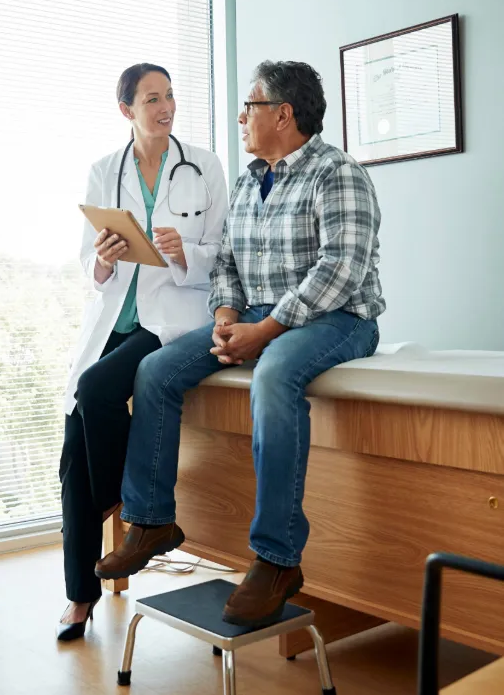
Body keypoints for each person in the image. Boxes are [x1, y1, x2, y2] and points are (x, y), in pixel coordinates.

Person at [95, 60, 386, 626]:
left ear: (282, 113)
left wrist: (266, 330)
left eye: (249, 106)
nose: (240, 117)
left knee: (274, 376)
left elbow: (341, 270)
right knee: (154, 370)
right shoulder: (252, 179)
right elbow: (227, 261)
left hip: (337, 318)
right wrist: (228, 316)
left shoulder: (338, 173)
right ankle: (151, 519)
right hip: (254, 313)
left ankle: (278, 558)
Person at [57, 63, 228, 641]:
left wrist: (187, 252)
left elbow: (222, 252)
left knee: (94, 391)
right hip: (112, 321)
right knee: (72, 456)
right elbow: (89, 264)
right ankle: (80, 598)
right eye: (152, 98)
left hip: (170, 319)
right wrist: (104, 257)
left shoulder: (202, 165)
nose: (167, 107)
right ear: (126, 109)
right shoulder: (104, 171)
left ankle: (119, 498)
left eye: (171, 96)